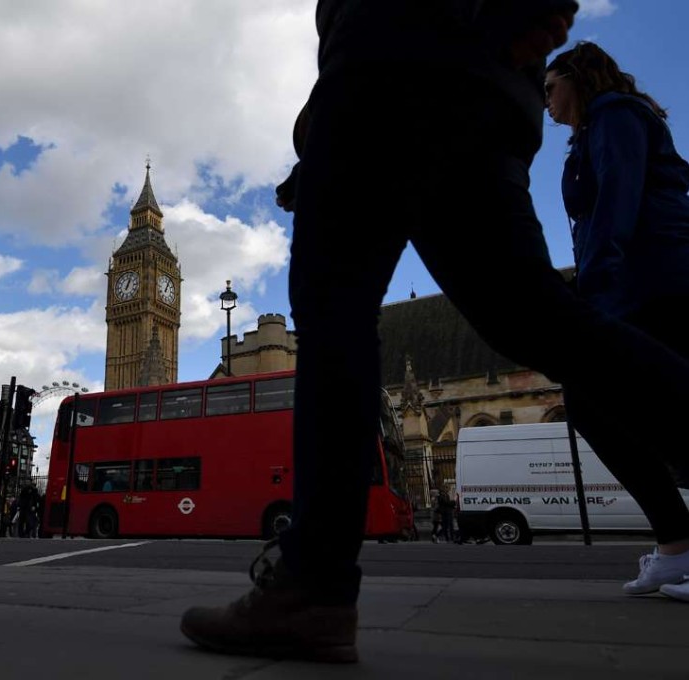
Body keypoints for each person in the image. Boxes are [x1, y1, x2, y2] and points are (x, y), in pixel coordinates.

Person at [180, 1, 689, 663]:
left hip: (392, 64)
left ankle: (311, 588)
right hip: (474, 83)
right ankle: (310, 588)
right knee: (535, 315)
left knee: (334, 316)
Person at [545, 42, 689, 598]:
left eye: (550, 89)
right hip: (631, 285)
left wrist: (592, 286)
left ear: (577, 79)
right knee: (594, 404)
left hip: (658, 283)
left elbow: (618, 200)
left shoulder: (617, 115)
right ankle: (677, 547)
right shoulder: (591, 132)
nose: (545, 104)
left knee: (619, 402)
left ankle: (680, 543)